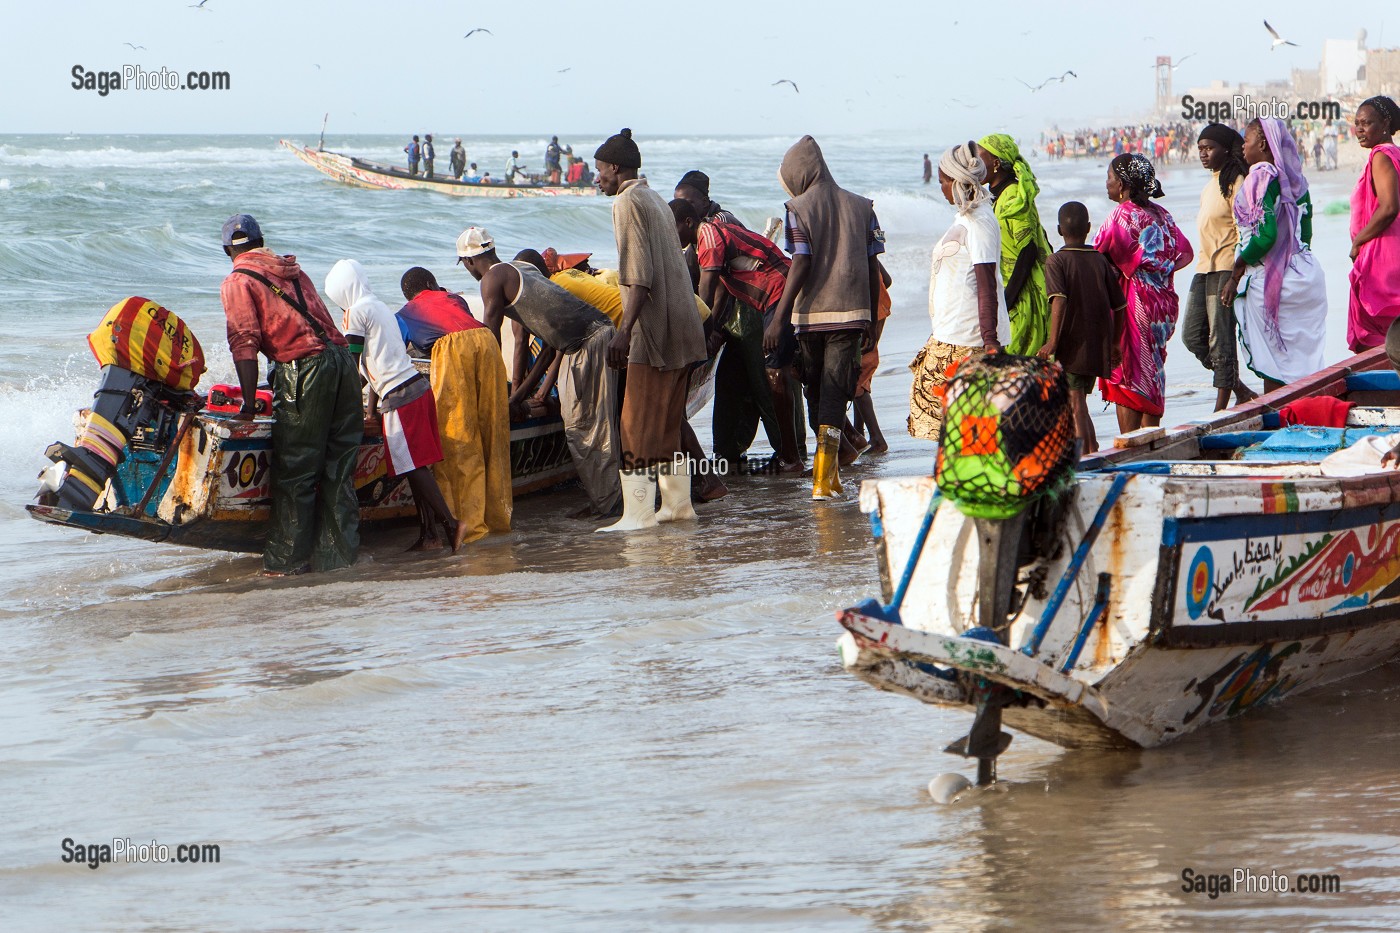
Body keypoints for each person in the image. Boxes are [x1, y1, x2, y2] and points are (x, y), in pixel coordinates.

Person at [218, 214, 361, 576]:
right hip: (343, 364)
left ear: (226, 250)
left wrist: (249, 405)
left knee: (296, 473)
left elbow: (244, 341)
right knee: (339, 470)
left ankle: (286, 564)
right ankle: (338, 561)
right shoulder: (292, 270)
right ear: (262, 239)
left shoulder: (238, 280)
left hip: (305, 370)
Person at [459, 233, 622, 518]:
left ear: (470, 260)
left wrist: (493, 397)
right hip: (593, 336)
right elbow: (548, 346)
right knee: (595, 424)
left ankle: (609, 506)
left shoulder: (491, 281)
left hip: (586, 343)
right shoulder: (525, 268)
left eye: (465, 264)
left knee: (583, 427)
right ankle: (608, 501)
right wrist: (519, 397)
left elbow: (489, 342)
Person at [593, 128, 708, 530]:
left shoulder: (626, 202)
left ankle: (638, 514)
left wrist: (624, 332)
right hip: (686, 327)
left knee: (635, 424)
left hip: (655, 332)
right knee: (665, 423)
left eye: (599, 171)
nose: (597, 179)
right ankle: (678, 506)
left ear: (615, 167)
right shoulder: (655, 197)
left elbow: (638, 276)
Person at [765, 135, 884, 499]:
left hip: (809, 316)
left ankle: (824, 475)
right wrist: (872, 322)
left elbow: (800, 260)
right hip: (852, 314)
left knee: (814, 391)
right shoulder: (863, 206)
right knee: (835, 394)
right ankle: (825, 475)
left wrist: (779, 317)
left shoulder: (797, 207)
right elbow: (872, 267)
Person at [324, 259, 463, 552]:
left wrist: (336, 403)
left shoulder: (355, 313)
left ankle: (451, 524)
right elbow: (371, 365)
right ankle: (429, 535)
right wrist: (371, 409)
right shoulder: (379, 306)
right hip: (418, 388)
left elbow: (352, 363)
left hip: (400, 396)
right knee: (416, 466)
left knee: (412, 467)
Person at [670, 198, 799, 470]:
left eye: (674, 228)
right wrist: (710, 330)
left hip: (778, 294)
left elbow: (706, 293)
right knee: (780, 373)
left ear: (688, 222)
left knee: (775, 374)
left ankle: (791, 457)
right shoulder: (705, 238)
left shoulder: (709, 237)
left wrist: (693, 339)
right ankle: (794, 454)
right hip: (769, 299)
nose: (671, 236)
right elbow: (719, 295)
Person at [401, 261, 512, 544]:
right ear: (432, 285)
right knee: (492, 432)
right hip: (486, 343)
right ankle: (498, 517)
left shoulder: (405, 313)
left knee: (460, 441)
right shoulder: (454, 298)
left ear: (409, 295)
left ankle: (471, 527)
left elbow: (397, 354)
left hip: (454, 353)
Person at [908, 143, 1008, 443]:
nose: (940, 187)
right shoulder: (966, 219)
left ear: (957, 181)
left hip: (968, 339)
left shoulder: (979, 223)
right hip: (951, 333)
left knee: (963, 421)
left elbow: (987, 282)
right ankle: (961, 478)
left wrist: (990, 341)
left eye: (942, 181)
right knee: (955, 420)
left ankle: (967, 479)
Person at [1223, 118, 1327, 394]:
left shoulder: (1259, 176)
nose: (1243, 147)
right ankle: (1309, 415)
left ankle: (1283, 424)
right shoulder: (1295, 179)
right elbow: (1305, 232)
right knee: (1303, 365)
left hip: (1271, 280)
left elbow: (1265, 236)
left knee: (1275, 365)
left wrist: (1237, 270)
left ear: (1264, 145)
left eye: (1247, 141)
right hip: (1305, 277)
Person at [1096, 154, 1193, 433]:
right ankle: (1153, 439)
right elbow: (1183, 252)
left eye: (1110, 178)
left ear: (1124, 185)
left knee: (1129, 375)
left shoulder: (1122, 214)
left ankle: (1131, 445)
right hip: (1163, 304)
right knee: (1153, 370)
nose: (1107, 184)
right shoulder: (1162, 214)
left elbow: (1098, 255)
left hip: (1135, 303)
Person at [1038, 202, 1126, 455]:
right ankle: (1093, 446)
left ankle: (1085, 456)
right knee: (1080, 401)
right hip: (1098, 343)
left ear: (1058, 230)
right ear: (1089, 228)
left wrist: (1053, 343)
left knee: (1075, 403)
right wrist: (1115, 342)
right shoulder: (1098, 259)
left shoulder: (1056, 261)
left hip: (1072, 346)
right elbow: (1120, 305)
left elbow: (1060, 300)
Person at [1185, 123, 1255, 411]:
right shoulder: (1209, 185)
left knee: (1220, 339)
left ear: (1226, 149)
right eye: (1200, 148)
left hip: (1225, 267)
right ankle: (1239, 387)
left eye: (1209, 148)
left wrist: (1235, 277)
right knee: (1192, 336)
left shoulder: (1236, 181)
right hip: (1204, 268)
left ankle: (1220, 407)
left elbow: (1246, 229)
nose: (1203, 154)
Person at [977, 134, 1052, 356]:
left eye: (981, 158)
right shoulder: (996, 196)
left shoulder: (1013, 197)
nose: (976, 164)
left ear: (997, 163)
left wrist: (1008, 300)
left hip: (1023, 298)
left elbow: (1027, 250)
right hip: (1008, 291)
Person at [1347, 96, 1400, 353]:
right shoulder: (1394, 154)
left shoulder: (1381, 155)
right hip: (1389, 248)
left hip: (1384, 255)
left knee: (1377, 332)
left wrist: (1359, 241)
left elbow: (1389, 207)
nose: (1359, 129)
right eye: (1357, 123)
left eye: (1366, 123)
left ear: (1385, 124)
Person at [852, 262, 891, 454]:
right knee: (862, 372)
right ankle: (858, 431)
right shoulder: (861, 235)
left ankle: (876, 439)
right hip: (879, 306)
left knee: (857, 375)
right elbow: (888, 279)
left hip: (864, 311)